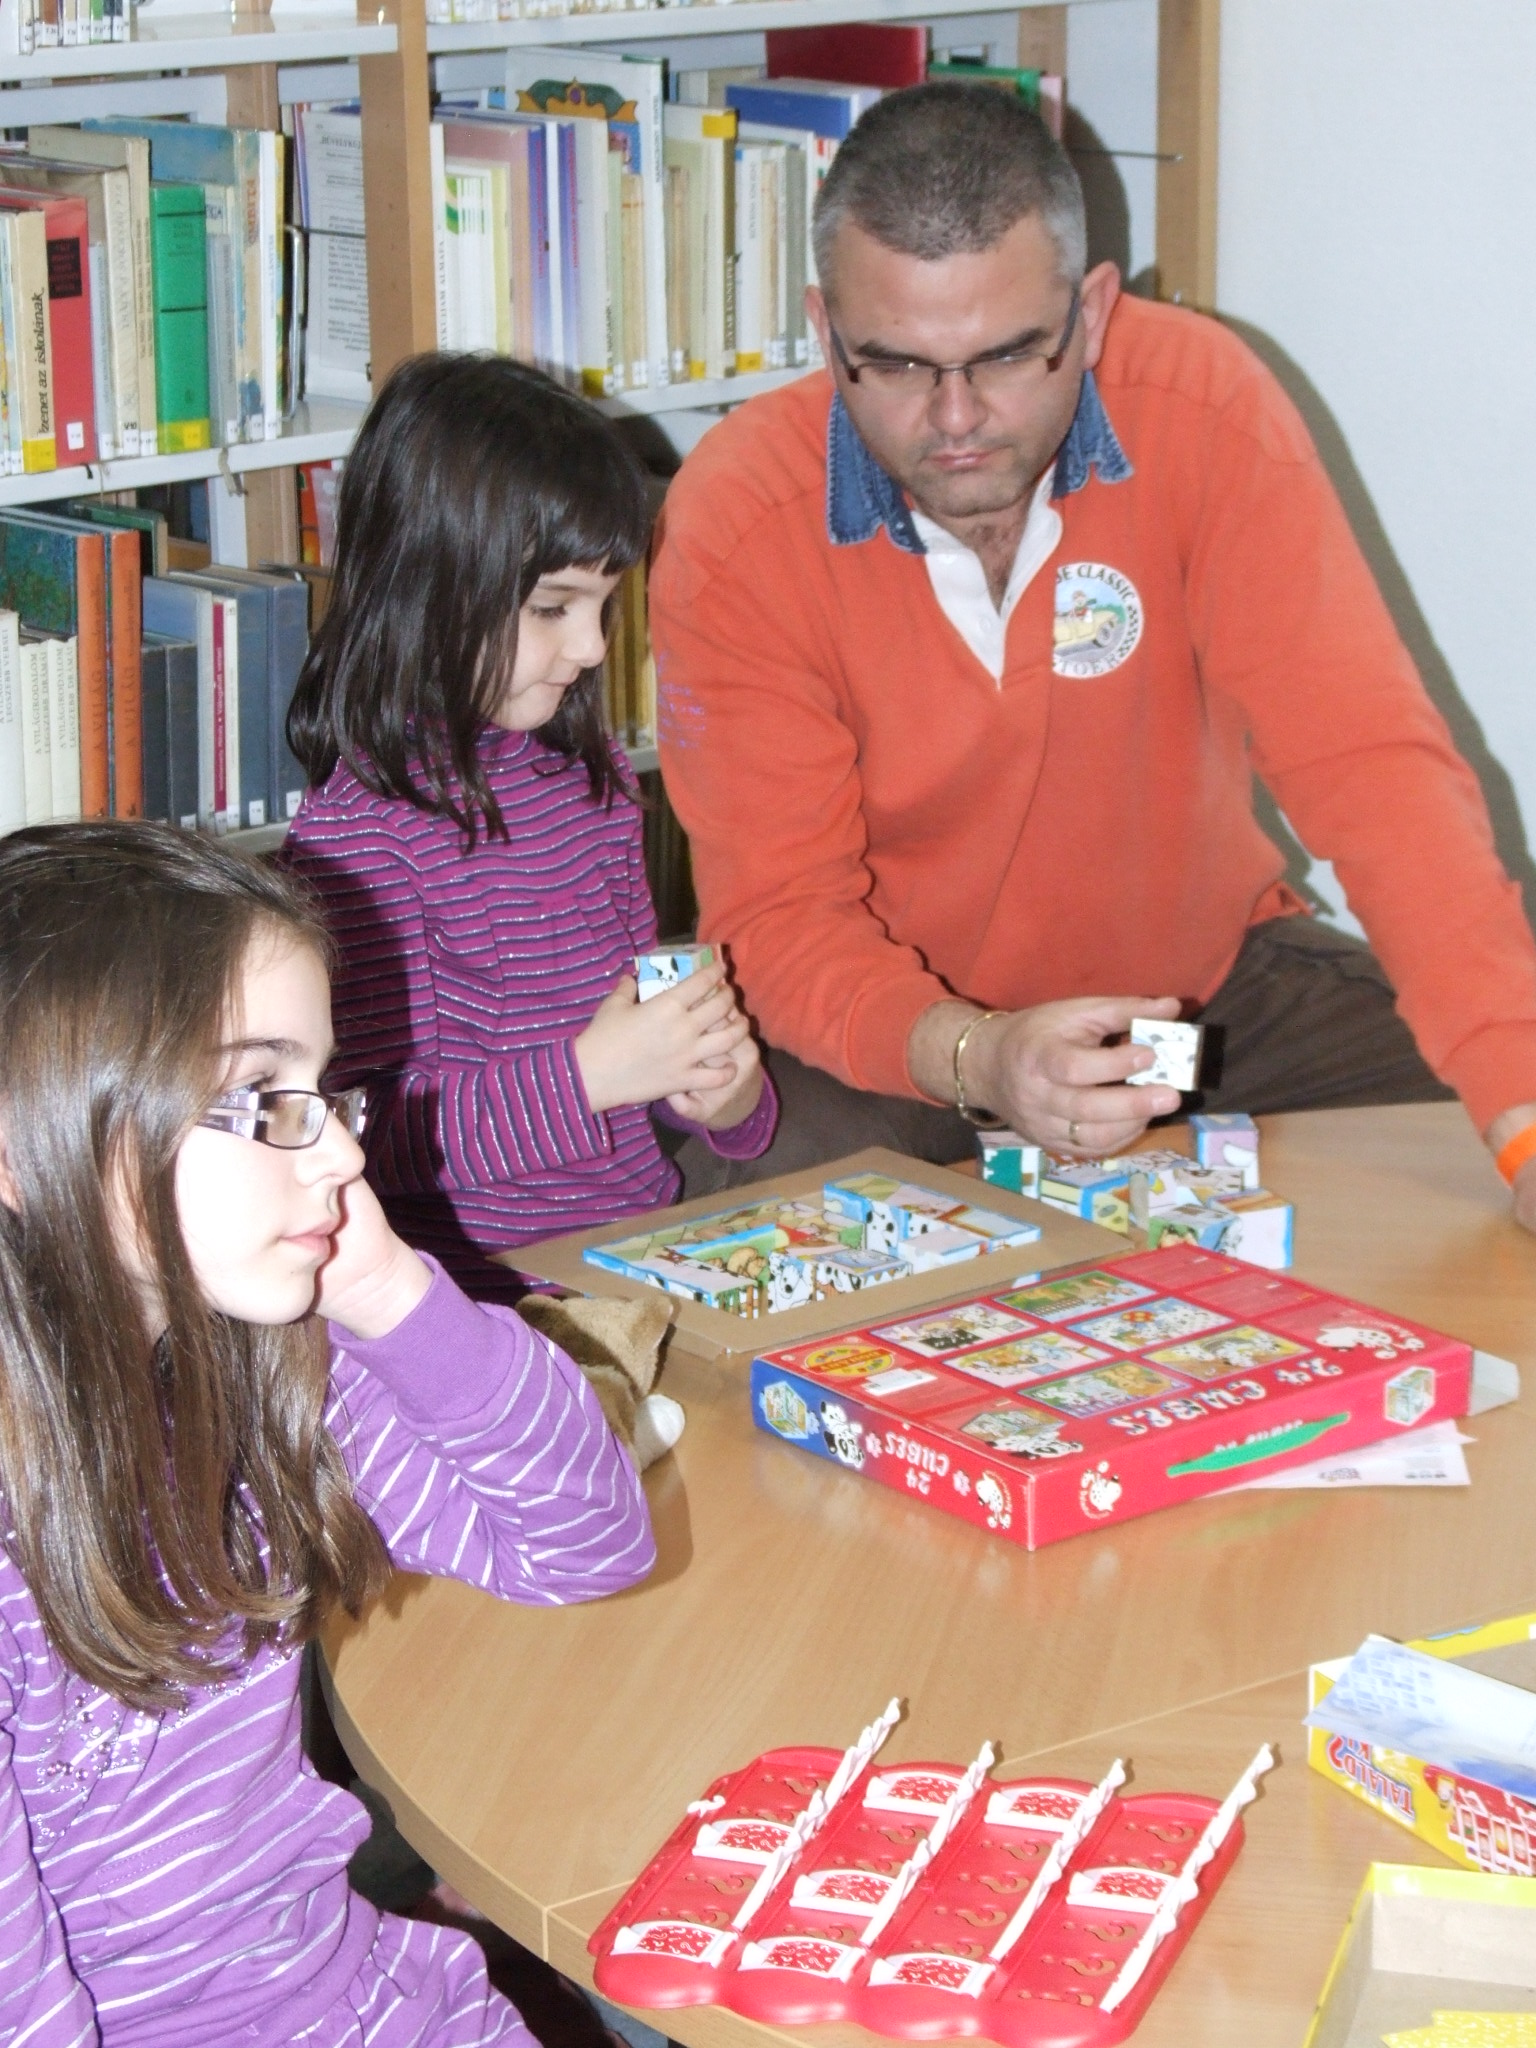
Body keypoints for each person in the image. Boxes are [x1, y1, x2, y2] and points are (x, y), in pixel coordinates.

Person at [649, 81, 1536, 1230]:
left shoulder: (1205, 408)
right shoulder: (737, 519)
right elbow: (780, 917)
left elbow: (1374, 772)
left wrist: (1520, 1113)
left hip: (1182, 1016)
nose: (957, 418)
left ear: (1096, 311)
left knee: (1468, 1109)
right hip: (898, 1053)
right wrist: (983, 1054)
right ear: (825, 331)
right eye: (900, 365)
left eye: (1009, 356)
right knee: (755, 1216)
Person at [0, 822, 655, 2047]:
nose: (345, 1149)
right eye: (263, 1099)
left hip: (351, 1990)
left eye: (323, 1089)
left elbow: (585, 1543)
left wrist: (391, 1291)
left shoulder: (263, 1371)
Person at [283, 354, 776, 1305]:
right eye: (553, 608)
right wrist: (589, 1078)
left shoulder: (589, 783)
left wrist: (728, 1095)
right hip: (474, 1299)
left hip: (638, 1254)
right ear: (431, 586)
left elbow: (669, 1077)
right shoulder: (359, 847)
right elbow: (360, 1133)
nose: (591, 648)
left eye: (605, 604)